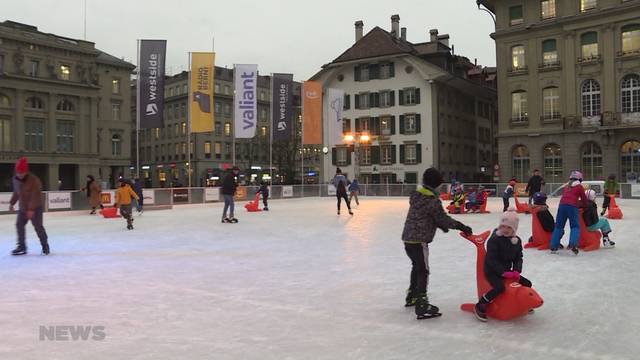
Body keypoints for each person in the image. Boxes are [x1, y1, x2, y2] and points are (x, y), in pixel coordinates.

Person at [402, 167, 473, 319]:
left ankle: (412, 296)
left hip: (408, 239)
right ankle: (422, 303)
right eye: (439, 186)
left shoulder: (417, 196)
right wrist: (461, 226)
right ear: (434, 185)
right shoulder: (432, 201)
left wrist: (440, 225)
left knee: (417, 267)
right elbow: (442, 219)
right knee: (423, 270)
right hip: (419, 240)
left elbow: (426, 216)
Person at [474, 209, 533, 322]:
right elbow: (491, 259)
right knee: (499, 288)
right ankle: (481, 304)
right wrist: (502, 272)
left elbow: (518, 257)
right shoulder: (494, 240)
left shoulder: (516, 241)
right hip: (492, 270)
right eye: (503, 226)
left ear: (514, 229)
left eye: (509, 227)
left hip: (508, 271)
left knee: (527, 283)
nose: (505, 230)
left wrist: (516, 270)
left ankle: (522, 302)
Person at [9, 157, 50, 256]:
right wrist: (12, 203)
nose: (20, 174)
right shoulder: (15, 180)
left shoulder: (34, 180)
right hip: (23, 207)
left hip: (36, 208)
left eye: (22, 172)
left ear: (26, 171)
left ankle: (45, 245)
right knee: (19, 224)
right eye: (18, 172)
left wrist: (31, 209)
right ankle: (22, 247)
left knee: (38, 226)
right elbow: (16, 193)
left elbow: (35, 195)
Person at [549, 171, 588, 255]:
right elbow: (584, 200)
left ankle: (553, 245)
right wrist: (584, 206)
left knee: (558, 226)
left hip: (562, 205)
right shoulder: (579, 186)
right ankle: (573, 244)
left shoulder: (566, 186)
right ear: (580, 179)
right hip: (572, 206)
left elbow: (566, 197)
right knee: (574, 226)